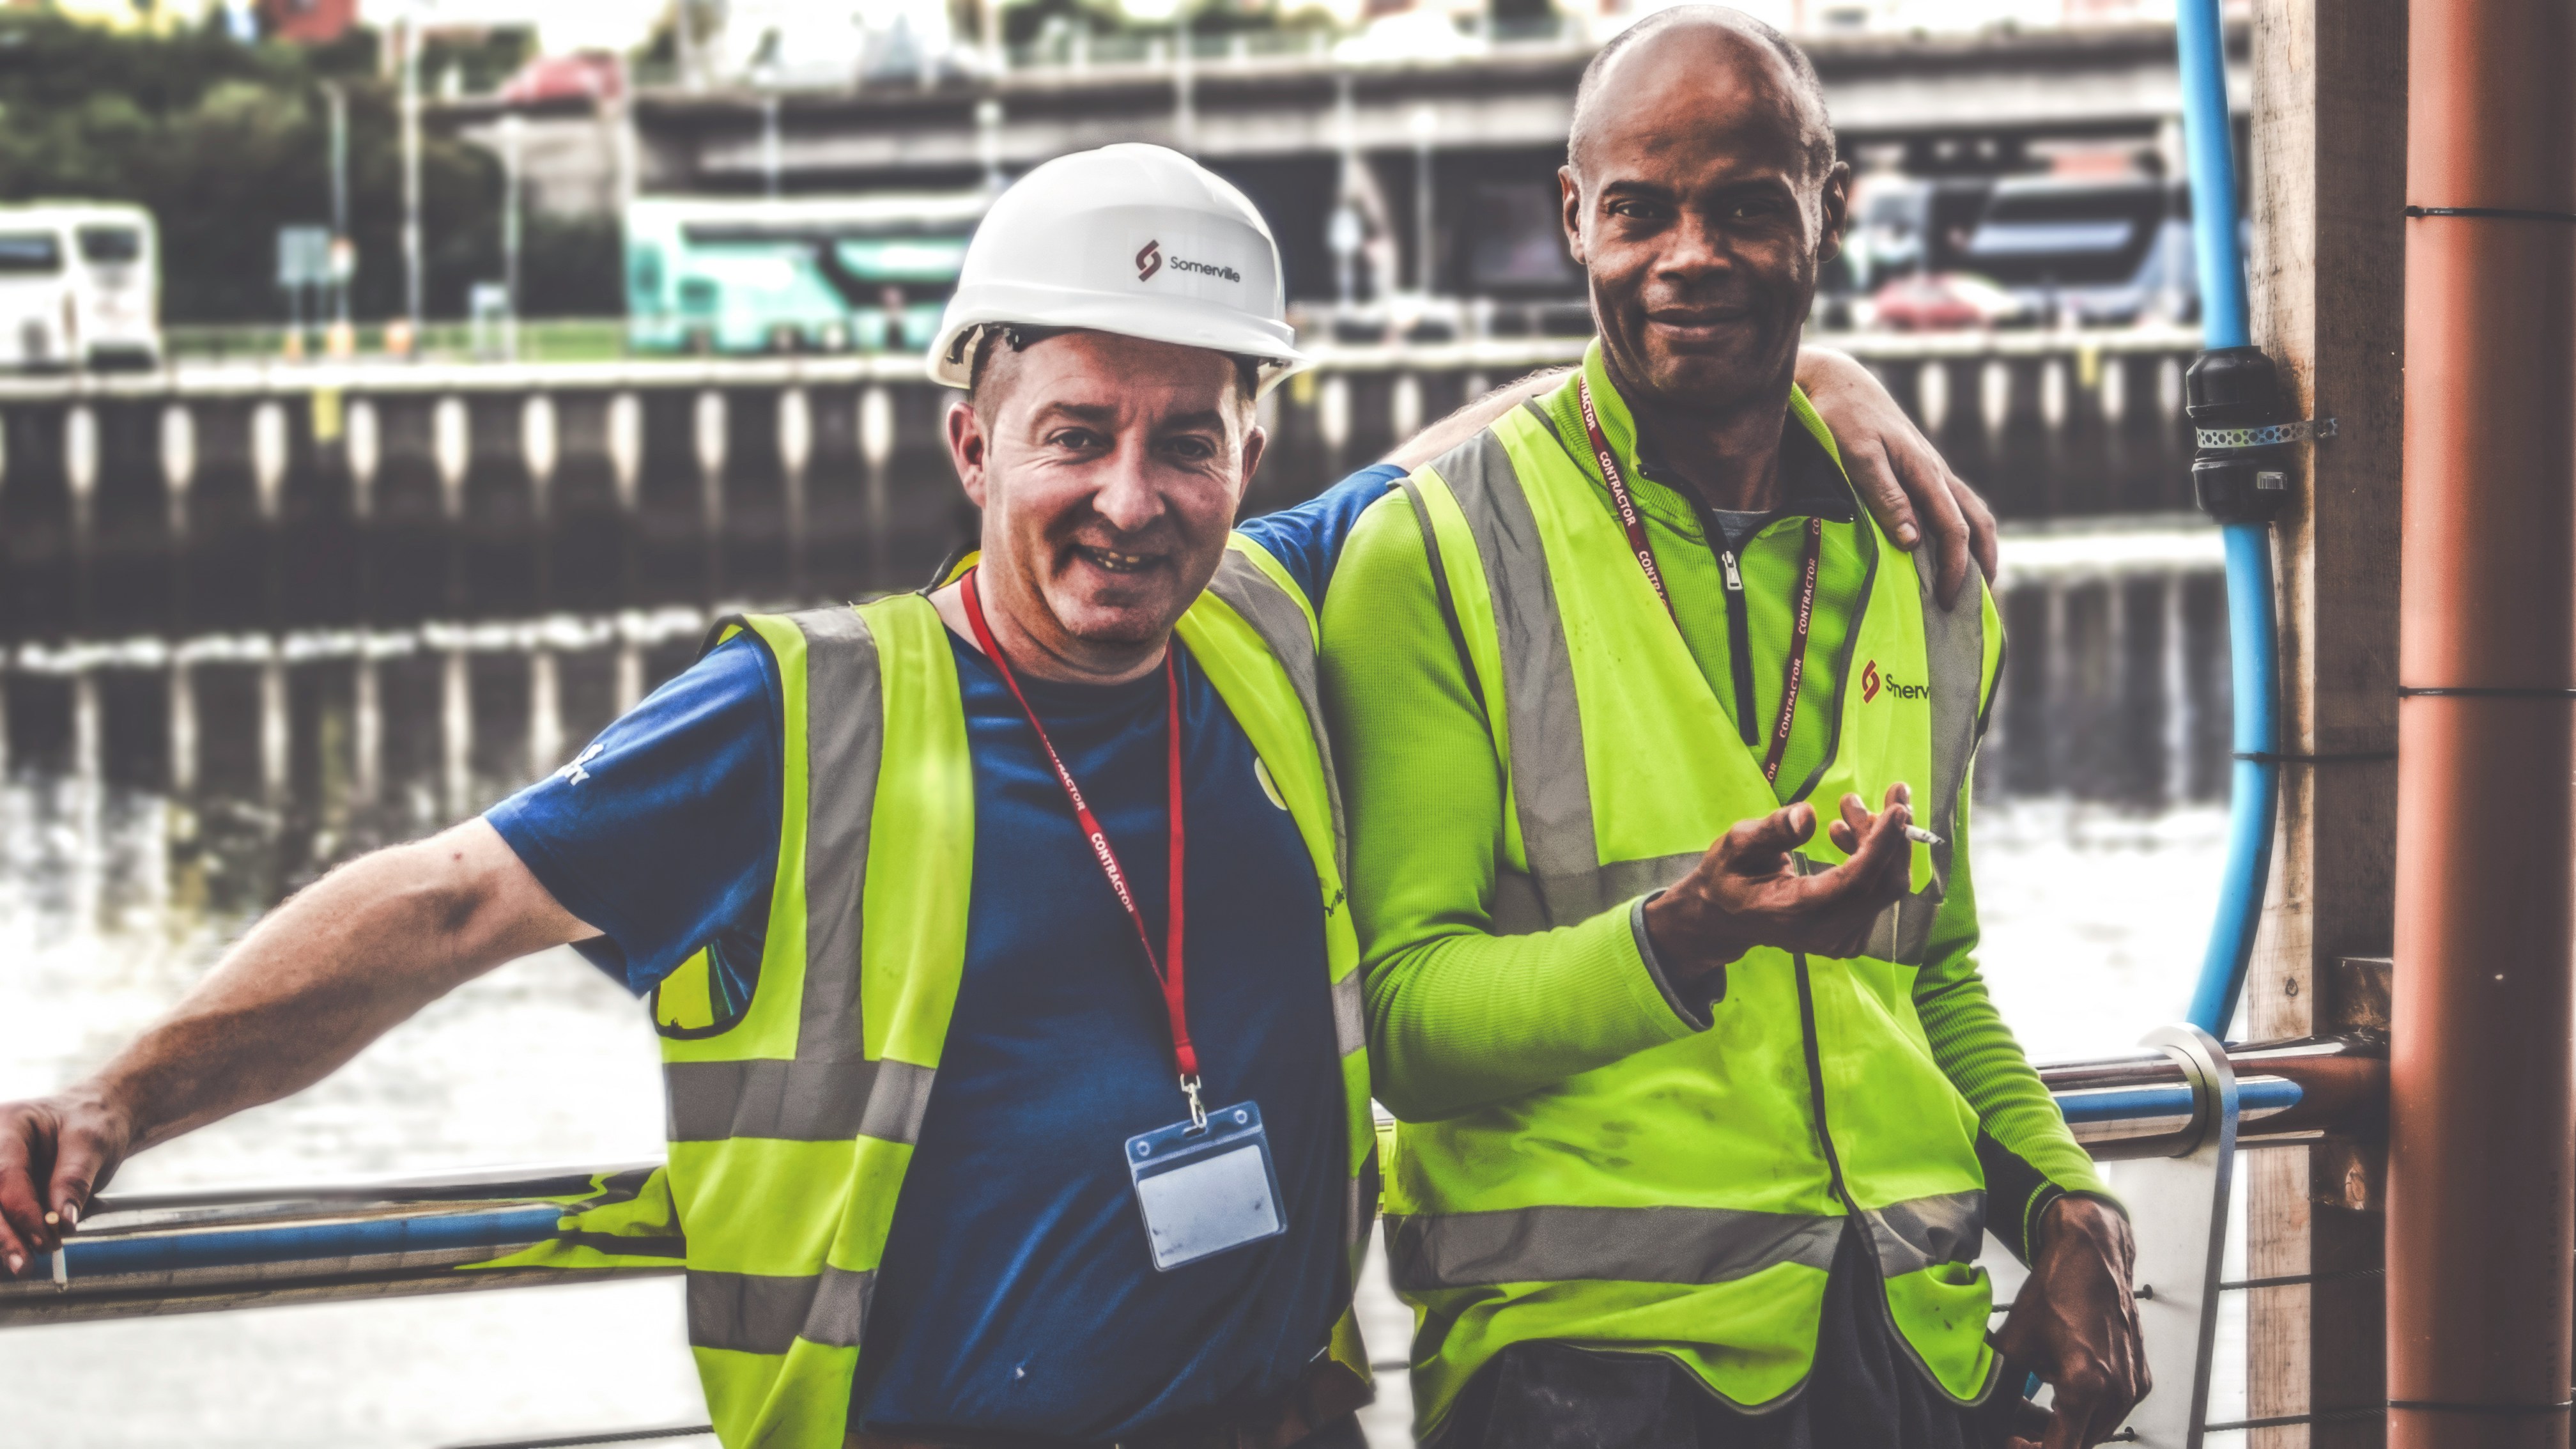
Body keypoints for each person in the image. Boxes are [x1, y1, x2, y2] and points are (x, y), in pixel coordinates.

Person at [0, 144, 1991, 1447]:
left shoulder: (1268, 615)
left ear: (1248, 456)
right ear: (972, 443)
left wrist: (1810, 375)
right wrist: (119, 1098)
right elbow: (445, 898)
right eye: (1075, 434)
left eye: (1187, 441)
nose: (1132, 498)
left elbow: (1518, 431)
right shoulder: (807, 715)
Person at [1317, 12, 2145, 1449]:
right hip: (1588, 1379)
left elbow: (1932, 973)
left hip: (1916, 1356)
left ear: (1831, 212)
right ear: (1574, 218)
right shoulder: (1435, 554)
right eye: (1640, 210)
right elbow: (1403, 1024)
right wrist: (1677, 940)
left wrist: (2068, 1201)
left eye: (1749, 209)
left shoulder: (1927, 565)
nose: (1689, 255)